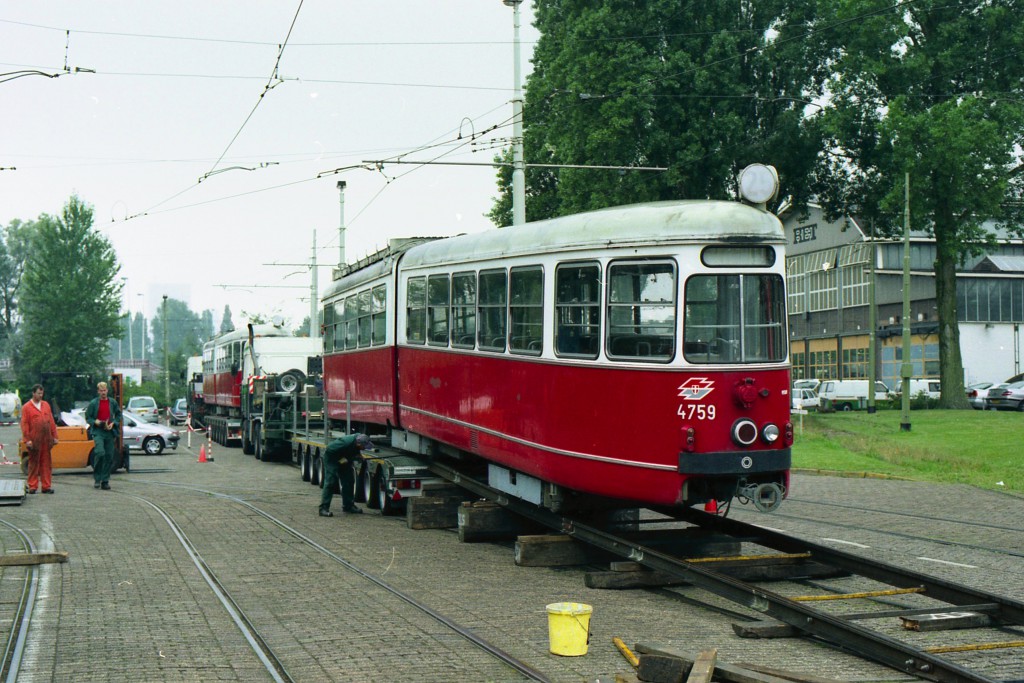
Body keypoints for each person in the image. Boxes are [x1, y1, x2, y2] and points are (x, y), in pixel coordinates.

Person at [319, 433, 373, 517]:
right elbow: (329, 449)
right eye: (364, 446)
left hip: (344, 458)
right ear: (359, 443)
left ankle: (348, 506)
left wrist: (358, 456)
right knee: (330, 482)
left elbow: (355, 450)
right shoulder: (345, 443)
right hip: (332, 459)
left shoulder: (358, 439)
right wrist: (344, 459)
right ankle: (323, 508)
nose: (365, 448)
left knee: (349, 480)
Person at [21, 384, 58, 494]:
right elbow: (24, 424)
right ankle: (33, 486)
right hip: (34, 439)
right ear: (33, 393)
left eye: (42, 393)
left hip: (46, 440)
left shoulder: (46, 405)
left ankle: (46, 486)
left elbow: (51, 421)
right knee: (33, 463)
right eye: (38, 393)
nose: (41, 395)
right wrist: (27, 440)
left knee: (46, 463)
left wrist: (55, 436)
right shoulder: (27, 407)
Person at [84, 381, 121, 491]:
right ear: (98, 391)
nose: (103, 392)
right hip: (98, 431)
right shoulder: (94, 403)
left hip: (109, 432)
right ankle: (97, 478)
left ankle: (105, 480)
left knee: (109, 456)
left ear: (107, 391)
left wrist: (113, 423)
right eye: (101, 390)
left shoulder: (112, 402)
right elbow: (88, 417)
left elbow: (119, 414)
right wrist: (95, 422)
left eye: (104, 390)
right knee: (100, 453)